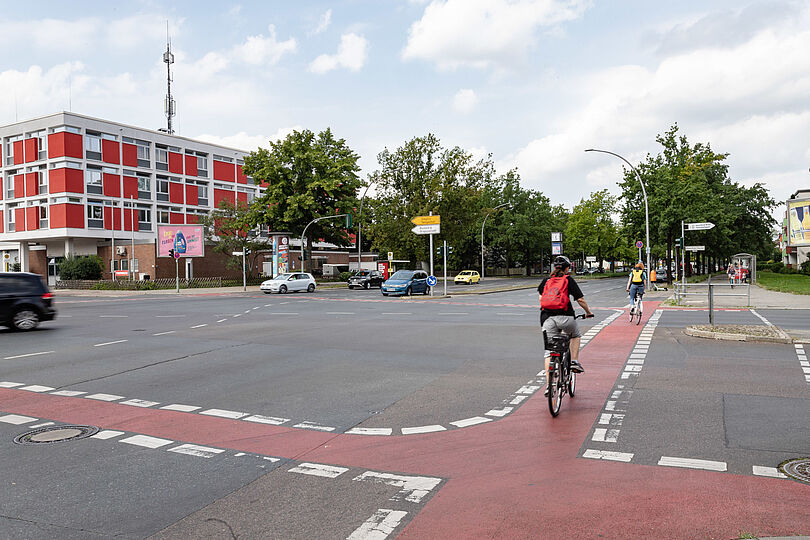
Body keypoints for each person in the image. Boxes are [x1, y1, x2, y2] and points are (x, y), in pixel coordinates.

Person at [539, 255, 594, 396]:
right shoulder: (568, 280)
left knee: (549, 352)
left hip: (547, 318)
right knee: (575, 335)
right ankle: (574, 361)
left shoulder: (546, 281)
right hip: (566, 317)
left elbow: (541, 298)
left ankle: (549, 385)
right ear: (567, 268)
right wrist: (588, 312)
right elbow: (580, 300)